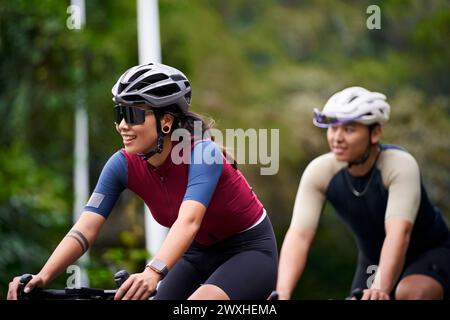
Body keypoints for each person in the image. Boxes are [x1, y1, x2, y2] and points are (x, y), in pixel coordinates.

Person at [8, 62, 278, 300]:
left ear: (166, 121)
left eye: (133, 115)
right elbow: (85, 229)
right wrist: (42, 277)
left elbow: (189, 222)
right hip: (196, 255)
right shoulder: (121, 164)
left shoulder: (202, 153)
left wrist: (153, 272)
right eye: (119, 114)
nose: (122, 125)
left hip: (248, 251)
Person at [276, 86, 450, 300]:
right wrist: (282, 293)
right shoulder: (320, 171)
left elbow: (399, 234)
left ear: (375, 133)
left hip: (430, 252)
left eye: (349, 129)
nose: (337, 138)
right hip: (373, 260)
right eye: (333, 128)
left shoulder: (399, 165)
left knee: (409, 292)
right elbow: (299, 236)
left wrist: (379, 289)